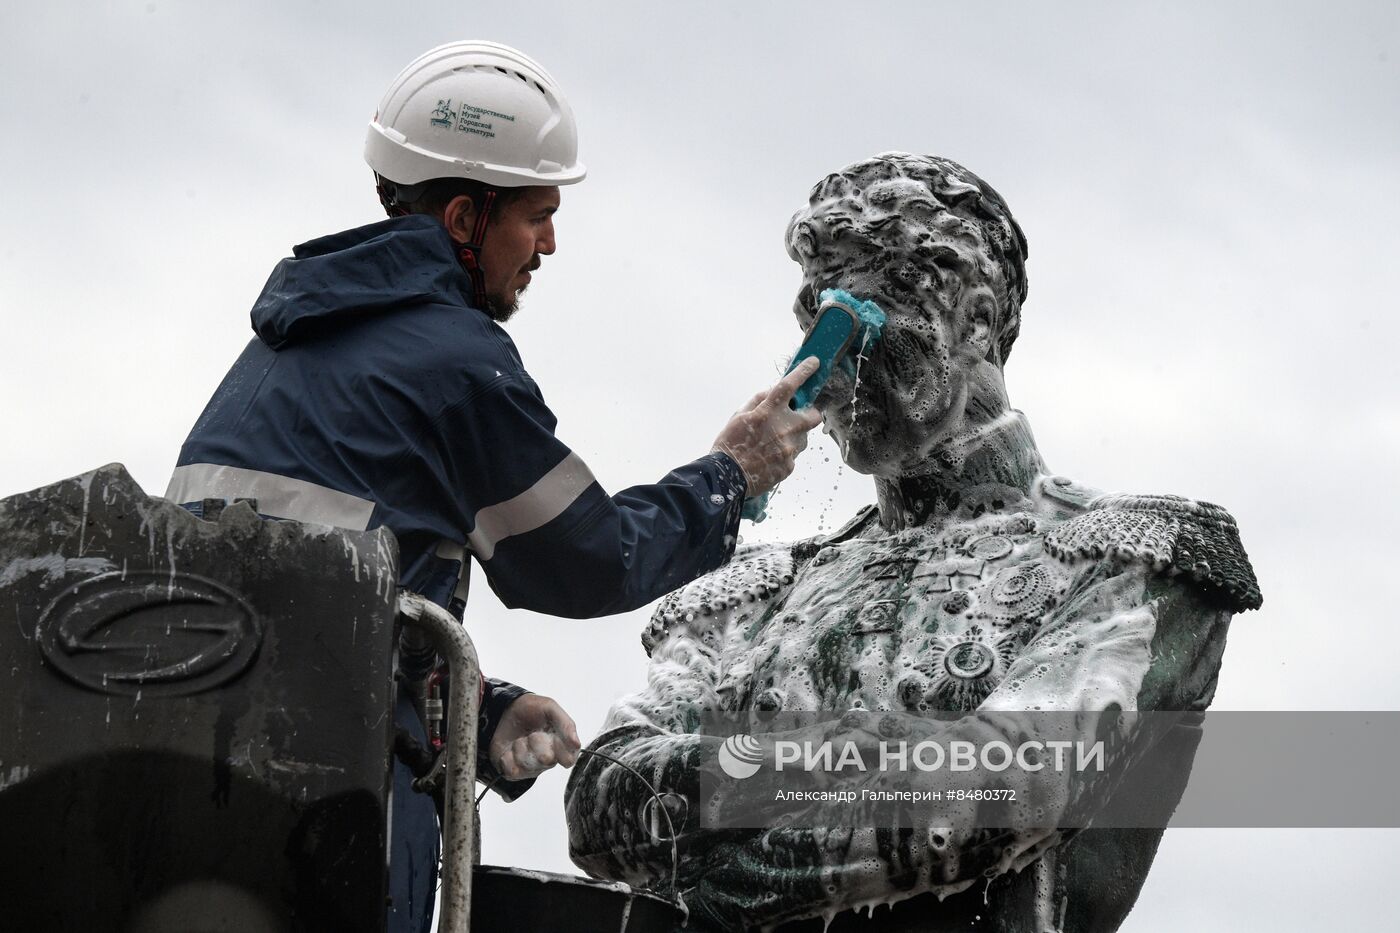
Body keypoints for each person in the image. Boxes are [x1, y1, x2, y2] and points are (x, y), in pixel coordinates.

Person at [163, 40, 823, 933]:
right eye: (537, 216)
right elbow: (589, 559)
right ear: (467, 217)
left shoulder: (282, 354)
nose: (550, 244)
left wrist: (482, 712)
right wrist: (734, 473)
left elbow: (299, 615)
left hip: (190, 805)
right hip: (331, 816)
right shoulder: (448, 361)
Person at [564, 152, 1263, 931]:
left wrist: (723, 829)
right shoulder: (754, 595)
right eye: (812, 327)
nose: (821, 373)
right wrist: (845, 758)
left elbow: (1002, 789)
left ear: (972, 317)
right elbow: (603, 795)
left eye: (855, 324)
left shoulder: (1129, 559)